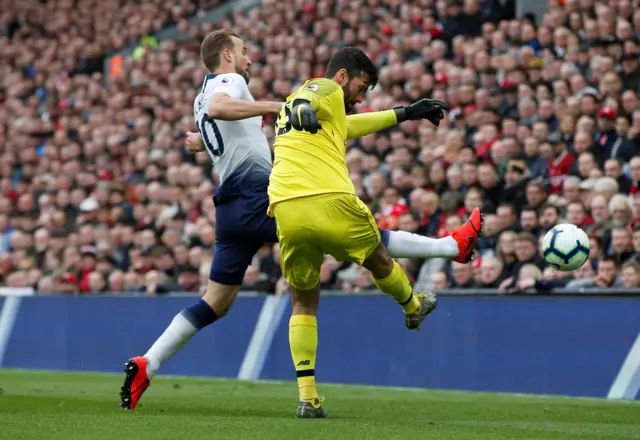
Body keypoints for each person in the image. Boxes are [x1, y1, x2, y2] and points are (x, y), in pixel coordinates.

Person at [119, 30, 483, 411]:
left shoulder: (199, 97)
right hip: (261, 194)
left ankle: (149, 362)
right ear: (226, 55)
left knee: (216, 301)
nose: (249, 59)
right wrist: (279, 104)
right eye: (244, 51)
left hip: (229, 206)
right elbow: (221, 108)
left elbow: (223, 124)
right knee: (350, 233)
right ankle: (448, 248)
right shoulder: (231, 82)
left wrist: (200, 143)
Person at [267, 46, 482, 418]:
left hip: (284, 208)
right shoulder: (324, 88)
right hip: (329, 197)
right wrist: (305, 103)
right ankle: (421, 295)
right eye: (362, 87)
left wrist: (406, 113)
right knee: (378, 254)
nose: (360, 97)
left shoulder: (319, 117)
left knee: (303, 302)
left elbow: (354, 126)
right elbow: (310, 96)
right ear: (343, 76)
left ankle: (308, 398)